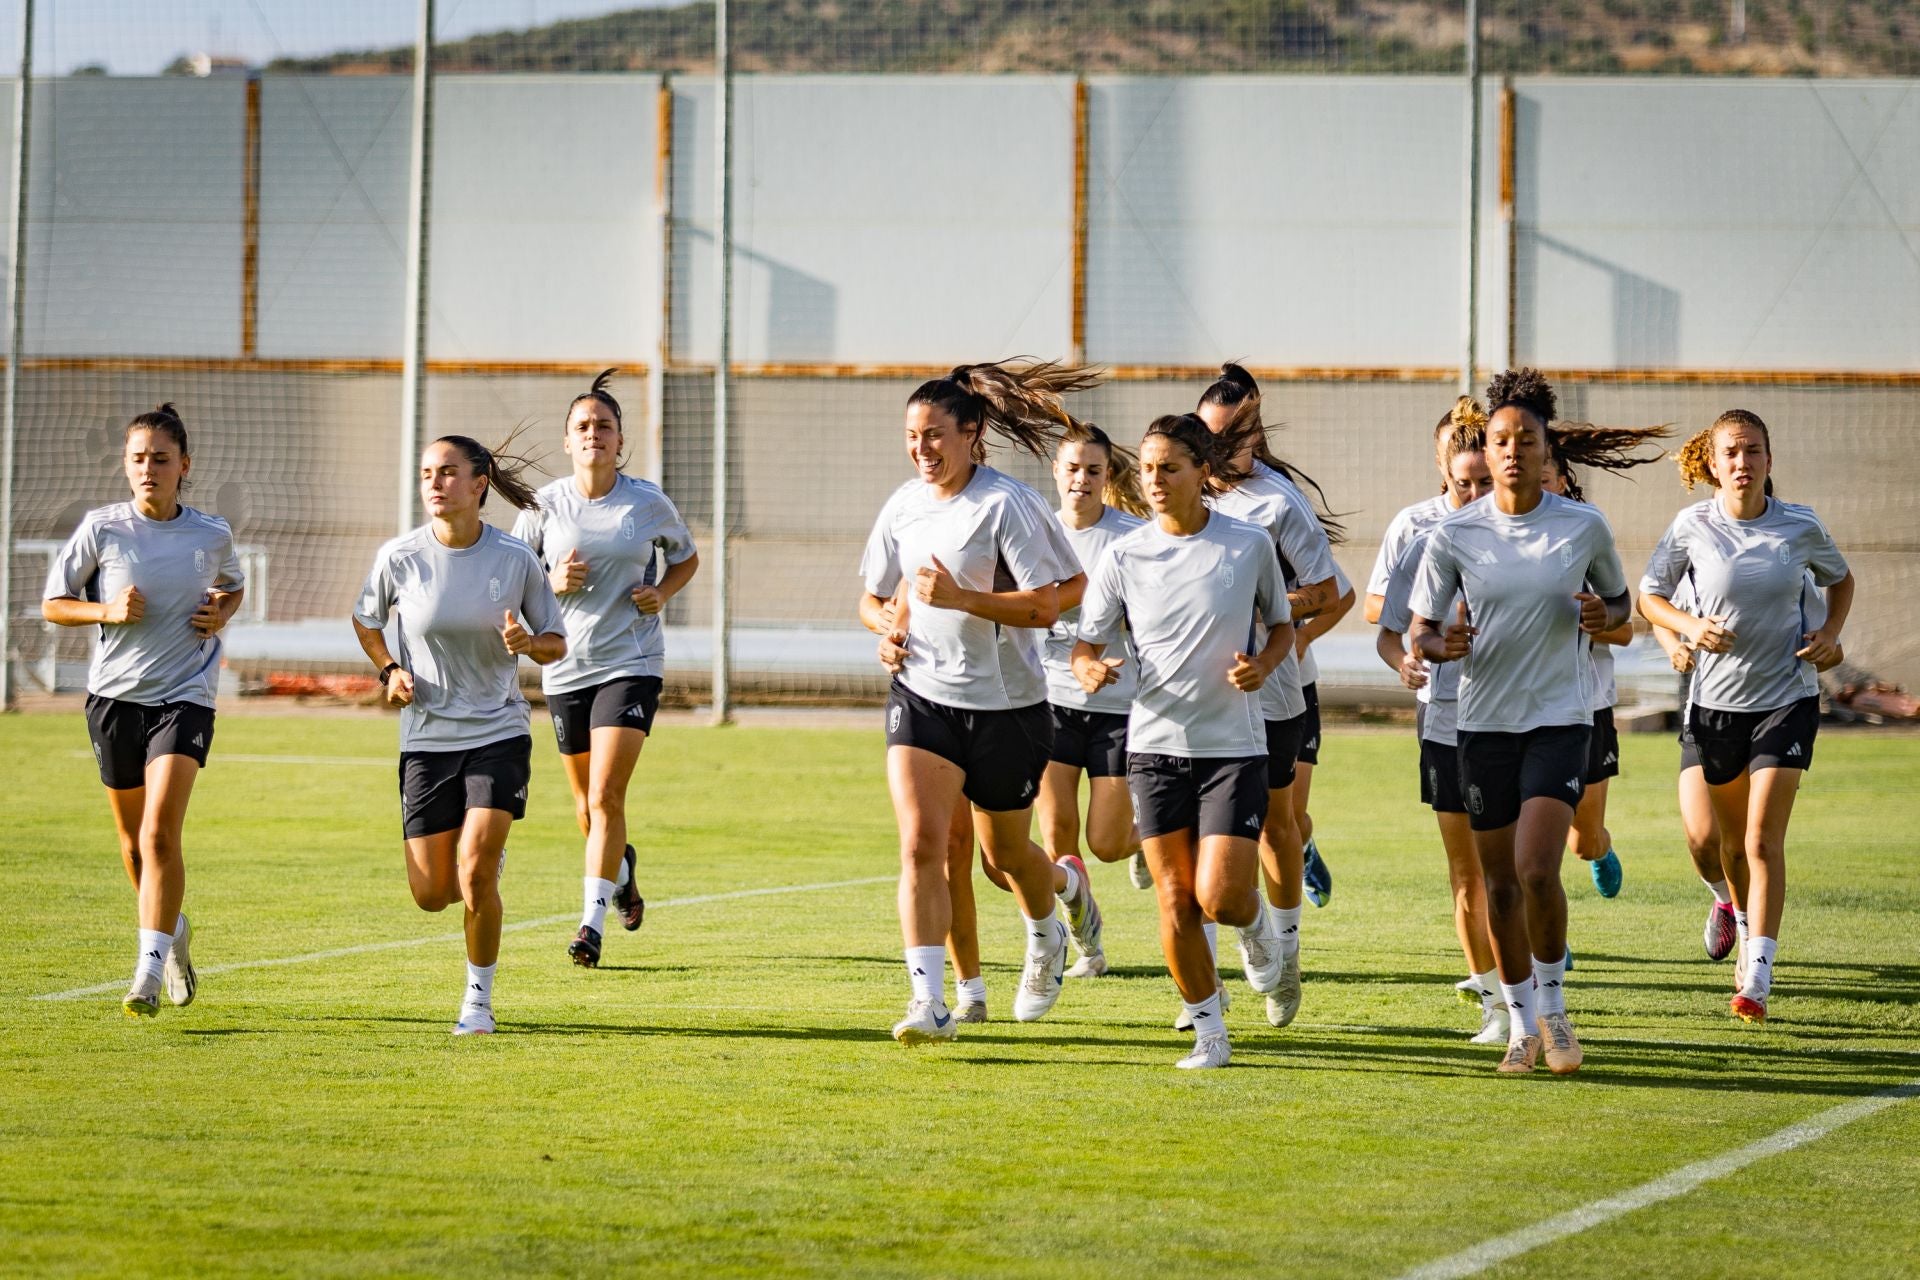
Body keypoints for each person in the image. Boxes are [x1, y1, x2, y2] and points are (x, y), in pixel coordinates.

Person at [1409, 369, 1662, 1075]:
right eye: (1501, 440)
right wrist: (1440, 646)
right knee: (1497, 885)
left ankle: (1553, 1012)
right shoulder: (1455, 533)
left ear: (1548, 451)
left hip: (1559, 718)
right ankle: (1520, 1026)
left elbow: (1621, 609)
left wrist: (1603, 617)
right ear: (1484, 453)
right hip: (1483, 725)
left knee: (1536, 869)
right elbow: (1420, 631)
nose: (1514, 451)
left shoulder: (1581, 526)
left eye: (1527, 440)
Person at [857, 362, 1105, 1045]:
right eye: (912, 436)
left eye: (935, 435)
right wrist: (888, 630)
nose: (922, 449)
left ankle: (1055, 906)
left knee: (1004, 859)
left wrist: (966, 599)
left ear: (972, 435)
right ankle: (929, 1002)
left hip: (1008, 708)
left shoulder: (1006, 506)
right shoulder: (904, 505)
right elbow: (874, 597)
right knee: (923, 847)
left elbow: (1061, 597)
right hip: (922, 698)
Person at [1074, 412, 1294, 1068]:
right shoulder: (1125, 554)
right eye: (1146, 468)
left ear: (1203, 471)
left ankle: (1260, 935)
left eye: (1170, 467)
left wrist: (1264, 665)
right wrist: (1090, 669)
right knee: (1174, 899)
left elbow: (1281, 626)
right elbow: (1088, 643)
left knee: (1221, 897)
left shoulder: (1247, 545)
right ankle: (1210, 1035)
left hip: (1232, 747)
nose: (1156, 479)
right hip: (1153, 745)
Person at [1639, 411, 1852, 1023]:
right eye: (1730, 451)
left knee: (1761, 839)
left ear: (1768, 460)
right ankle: (1728, 906)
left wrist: (1831, 634)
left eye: (1753, 450)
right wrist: (1688, 628)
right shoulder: (1691, 526)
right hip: (1714, 707)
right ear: (1711, 461)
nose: (1742, 461)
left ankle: (1757, 974)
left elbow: (1841, 581)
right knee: (1720, 845)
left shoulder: (1800, 525)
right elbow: (1650, 596)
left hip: (1786, 698)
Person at [352, 432, 567, 1035]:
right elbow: (366, 620)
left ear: (479, 484)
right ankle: (482, 868)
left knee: (474, 873)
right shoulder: (400, 557)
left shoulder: (514, 559)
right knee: (431, 892)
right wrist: (389, 669)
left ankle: (478, 1002)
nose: (435, 484)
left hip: (499, 729)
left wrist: (528, 643)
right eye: (427, 473)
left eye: (448, 473)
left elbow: (555, 642)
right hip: (426, 738)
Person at [42, 404, 245, 1018]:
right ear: (125, 466)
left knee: (160, 832)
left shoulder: (211, 534)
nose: (148, 469)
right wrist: (105, 610)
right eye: (138, 458)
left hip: (184, 696)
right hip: (113, 700)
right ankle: (173, 935)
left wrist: (223, 612)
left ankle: (146, 975)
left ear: (184, 466)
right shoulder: (102, 528)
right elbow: (54, 603)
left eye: (161, 458)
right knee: (134, 848)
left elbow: (233, 583)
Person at [511, 370, 699, 968]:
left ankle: (590, 927)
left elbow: (686, 558)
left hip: (632, 662)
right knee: (586, 812)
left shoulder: (647, 502)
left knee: (606, 796)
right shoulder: (544, 505)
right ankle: (624, 874)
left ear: (621, 441)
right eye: (582, 426)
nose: (594, 434)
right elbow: (515, 583)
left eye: (604, 426)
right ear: (567, 441)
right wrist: (550, 581)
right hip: (565, 666)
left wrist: (662, 593)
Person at [1194, 365, 1340, 1029]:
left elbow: (1329, 592)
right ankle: (1204, 987)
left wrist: (1278, 624)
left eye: (1238, 433)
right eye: (1214, 434)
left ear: (1256, 433)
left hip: (1277, 690)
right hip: (1201, 697)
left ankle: (1285, 950)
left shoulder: (1276, 501)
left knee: (1278, 827)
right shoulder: (1183, 493)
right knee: (1200, 841)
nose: (1226, 447)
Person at [1373, 401, 1506, 1043]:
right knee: (1467, 871)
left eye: (1486, 482)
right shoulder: (1422, 541)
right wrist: (1412, 659)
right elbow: (1391, 635)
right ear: (1445, 481)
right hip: (1446, 722)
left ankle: (1534, 992)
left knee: (1515, 869)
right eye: (1464, 483)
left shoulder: (1530, 539)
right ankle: (1494, 999)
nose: (1475, 494)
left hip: (1520, 721)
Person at [1035, 424, 1151, 979]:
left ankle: (1148, 843)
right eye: (1073, 468)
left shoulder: (1131, 539)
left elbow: (1155, 617)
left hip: (1119, 709)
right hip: (1048, 706)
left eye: (1094, 470)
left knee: (1105, 844)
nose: (1082, 479)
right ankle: (1085, 946)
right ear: (1055, 472)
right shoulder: (1035, 534)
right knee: (1058, 848)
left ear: (1109, 477)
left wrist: (1106, 655)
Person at [1541, 452, 1632, 900]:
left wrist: (1592, 620)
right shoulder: (1494, 542)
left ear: (1562, 482)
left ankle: (1602, 849)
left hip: (1589, 706)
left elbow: (1628, 628)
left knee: (1582, 839)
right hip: (1526, 708)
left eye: (1546, 478)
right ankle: (1547, 940)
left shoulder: (1583, 535)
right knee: (1533, 842)